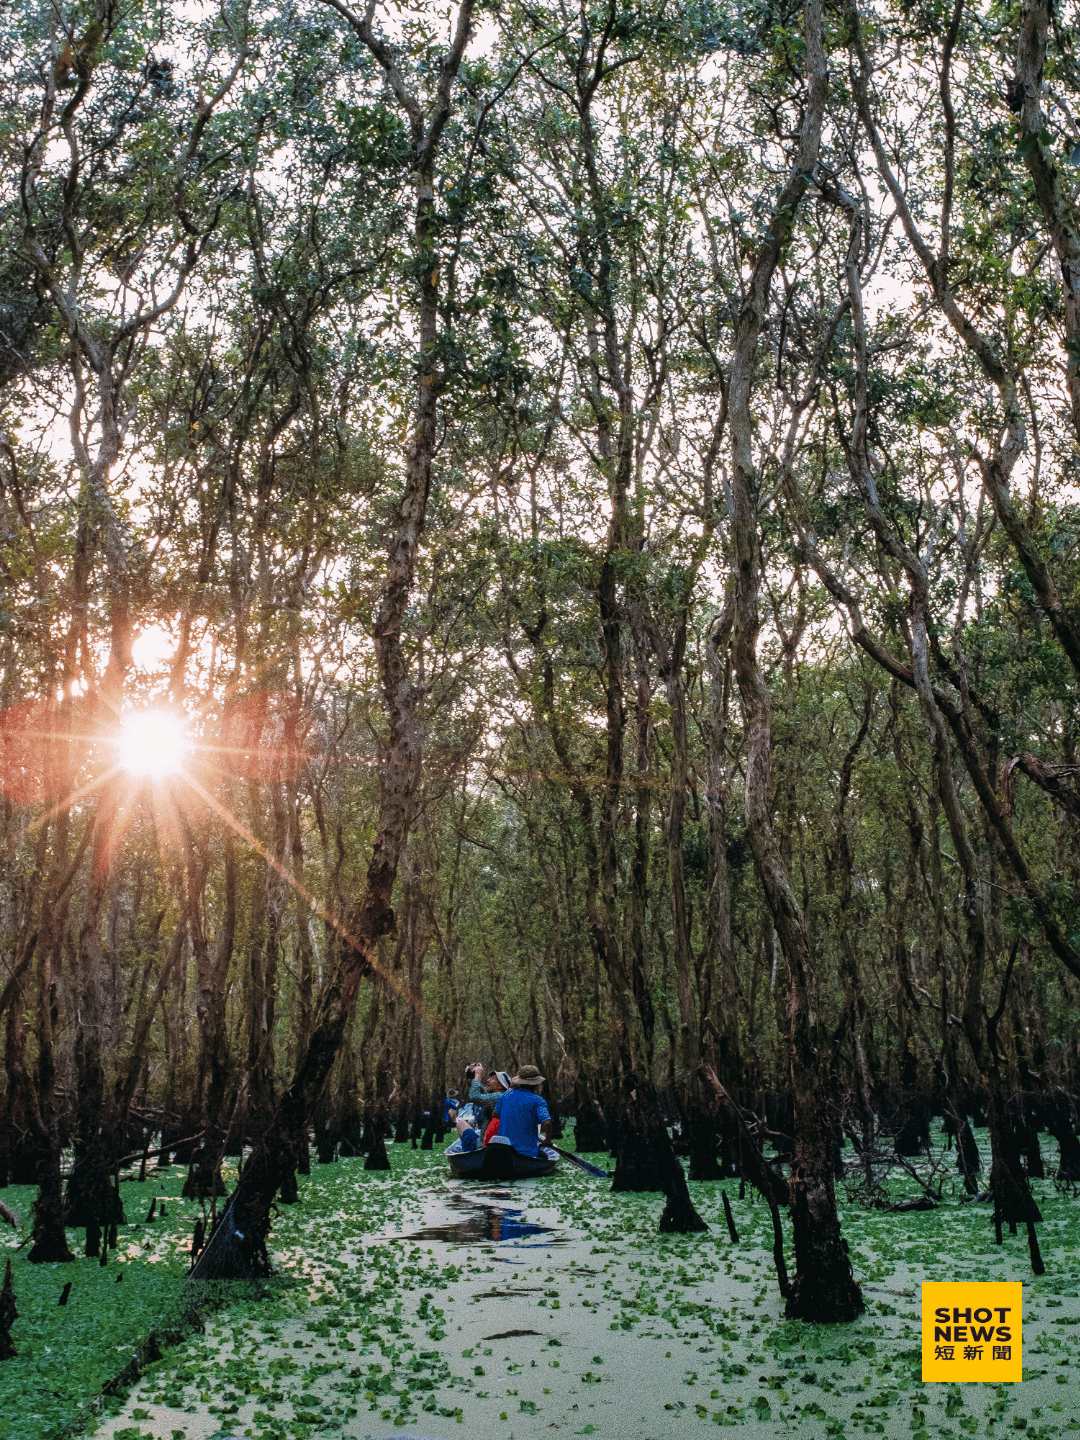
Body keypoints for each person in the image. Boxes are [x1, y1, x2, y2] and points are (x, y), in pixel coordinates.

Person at [492, 1065, 553, 1158]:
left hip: (503, 1151)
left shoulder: (506, 1095)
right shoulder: (538, 1100)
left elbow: (495, 1115)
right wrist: (548, 1140)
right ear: (536, 1083)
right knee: (544, 1156)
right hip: (527, 1153)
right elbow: (547, 1123)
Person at [483, 1071, 512, 1145]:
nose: (488, 1080)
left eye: (492, 1079)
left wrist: (476, 1077)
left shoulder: (499, 1096)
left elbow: (475, 1097)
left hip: (490, 1146)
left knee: (461, 1124)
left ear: (500, 1086)